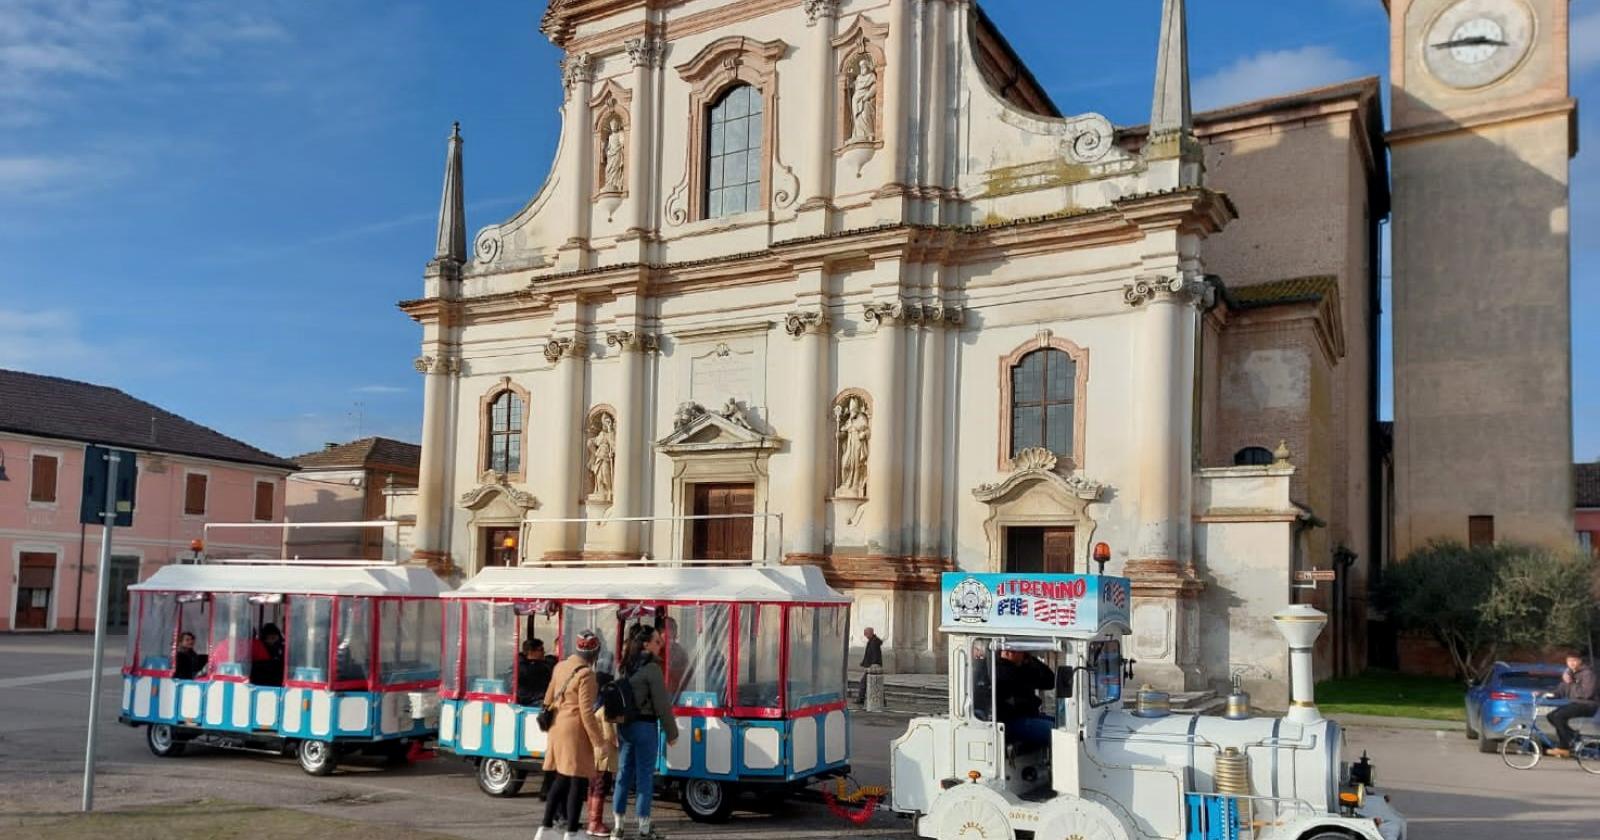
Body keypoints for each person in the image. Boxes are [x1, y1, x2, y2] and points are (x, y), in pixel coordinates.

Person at [611, 624, 680, 840]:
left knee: (623, 774)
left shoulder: (623, 665)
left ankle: (618, 826)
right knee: (644, 777)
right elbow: (661, 704)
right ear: (646, 644)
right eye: (658, 642)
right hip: (645, 727)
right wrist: (672, 732)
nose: (661, 646)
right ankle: (643, 827)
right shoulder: (652, 669)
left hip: (624, 727)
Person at [537, 631, 607, 840]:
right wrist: (598, 742)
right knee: (577, 781)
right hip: (574, 731)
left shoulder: (560, 667)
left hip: (557, 727)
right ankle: (572, 832)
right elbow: (586, 711)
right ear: (595, 653)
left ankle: (546, 827)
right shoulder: (587, 675)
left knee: (561, 778)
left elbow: (548, 698)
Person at [993, 647, 1055, 749]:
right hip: (1010, 721)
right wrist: (1024, 663)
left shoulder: (1023, 667)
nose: (1008, 651)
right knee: (1056, 732)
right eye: (1005, 649)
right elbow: (1016, 676)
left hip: (1028, 715)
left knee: (1062, 725)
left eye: (1015, 649)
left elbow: (1050, 681)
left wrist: (1030, 659)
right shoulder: (999, 668)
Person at [584, 672, 621, 837]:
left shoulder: (591, 705)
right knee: (600, 788)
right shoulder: (605, 708)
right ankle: (595, 823)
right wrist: (620, 744)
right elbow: (610, 735)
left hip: (592, 754)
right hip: (604, 756)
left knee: (592, 787)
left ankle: (591, 820)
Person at [1545, 652, 1598, 757]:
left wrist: (1571, 682)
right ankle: (1575, 738)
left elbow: (1587, 693)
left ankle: (1564, 747)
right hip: (1576, 703)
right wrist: (1546, 694)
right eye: (1569, 661)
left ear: (1580, 661)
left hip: (1589, 705)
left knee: (1559, 716)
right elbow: (1561, 691)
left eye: (1574, 660)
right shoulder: (1569, 674)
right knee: (1551, 716)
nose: (1571, 663)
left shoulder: (1588, 673)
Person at [519, 638, 556, 707]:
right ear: (531, 652)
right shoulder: (525, 669)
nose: (544, 652)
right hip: (532, 704)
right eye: (541, 650)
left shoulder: (542, 664)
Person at [857, 627, 884, 705]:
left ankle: (860, 699)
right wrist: (864, 663)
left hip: (873, 667)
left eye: (866, 633)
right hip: (873, 666)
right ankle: (882, 700)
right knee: (875, 683)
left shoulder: (874, 642)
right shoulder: (872, 641)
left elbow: (875, 655)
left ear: (870, 633)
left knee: (864, 682)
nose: (865, 635)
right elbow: (869, 654)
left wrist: (873, 664)